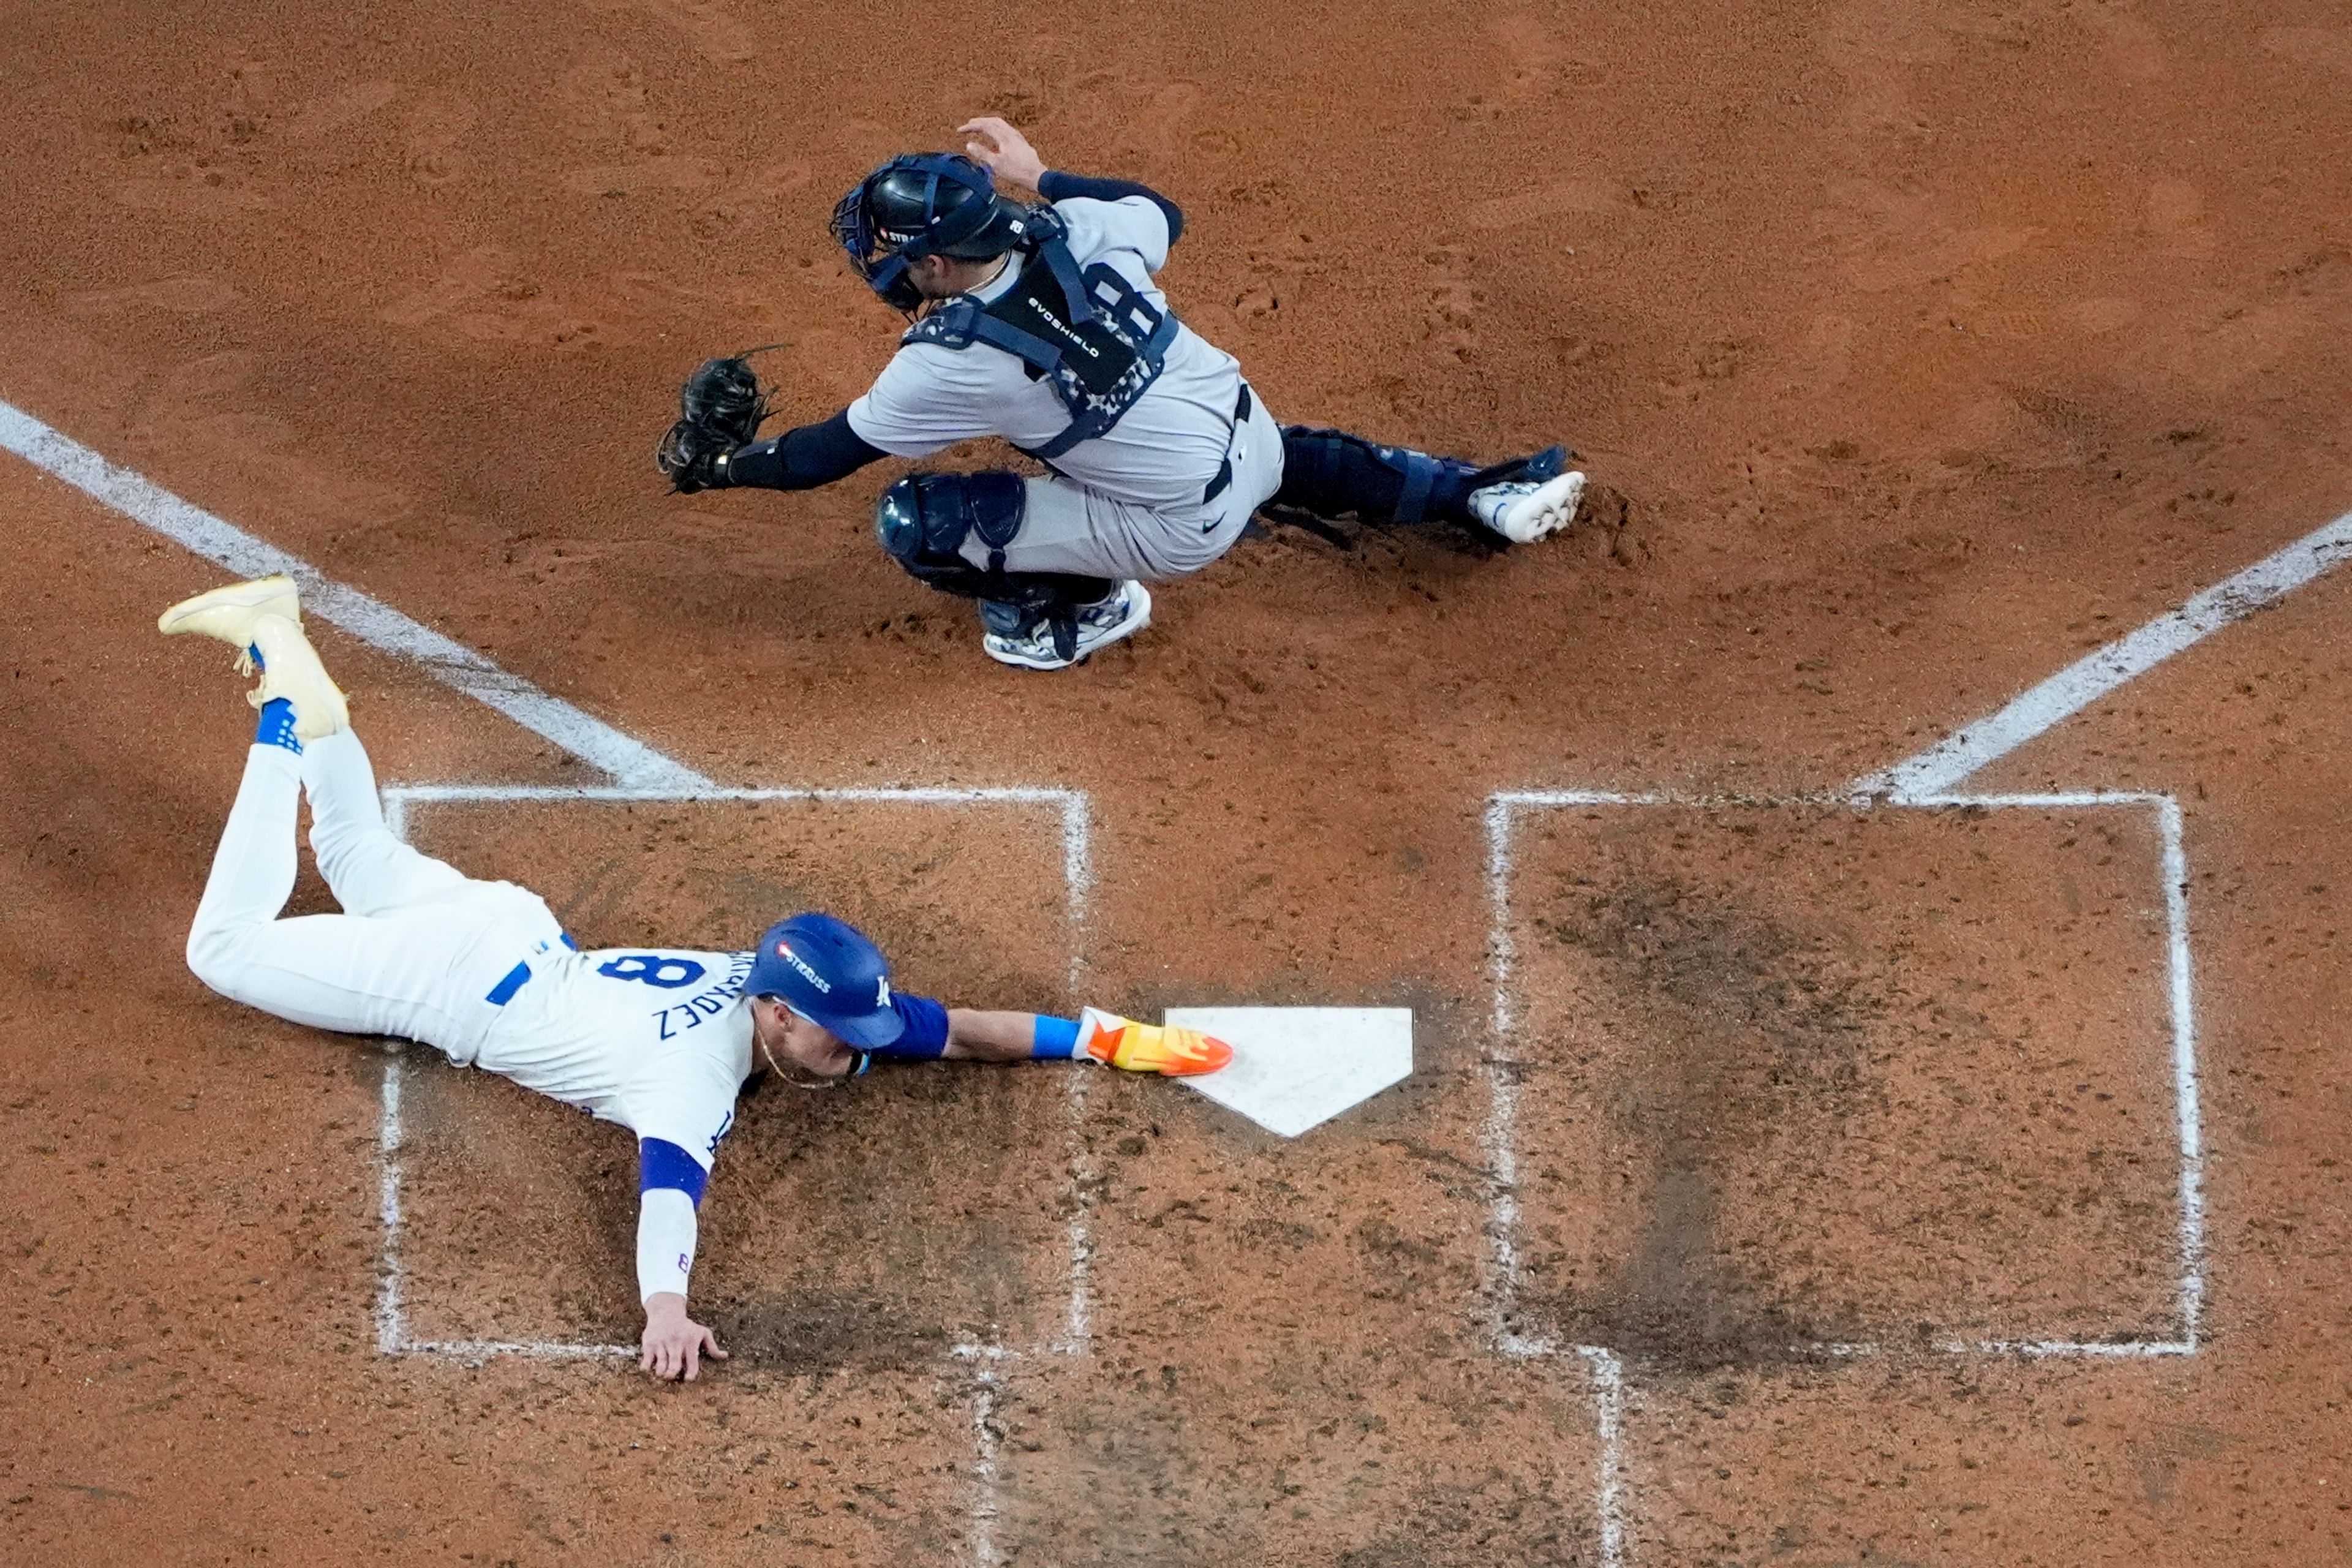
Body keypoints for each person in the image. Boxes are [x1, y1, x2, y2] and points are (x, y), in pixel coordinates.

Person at [159, 575, 1233, 1381]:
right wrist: (664, 1312)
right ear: (775, 1013)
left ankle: (286, 633)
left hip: (500, 929)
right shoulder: (695, 1078)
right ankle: (287, 708)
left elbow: (954, 1032)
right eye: (833, 1036)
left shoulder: (795, 998)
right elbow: (669, 1195)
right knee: (227, 948)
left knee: (350, 856)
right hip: (447, 975)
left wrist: (1112, 1039)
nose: (852, 1049)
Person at [656, 116, 1589, 671]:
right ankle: (1481, 495)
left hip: (1178, 527)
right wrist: (1040, 175)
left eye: (895, 251)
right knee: (1279, 456)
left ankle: (1081, 612)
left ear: (935, 260)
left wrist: (720, 467)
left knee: (920, 522)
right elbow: (1162, 211)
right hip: (1247, 431)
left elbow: (825, 455)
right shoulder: (1076, 229)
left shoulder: (946, 363)